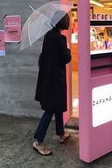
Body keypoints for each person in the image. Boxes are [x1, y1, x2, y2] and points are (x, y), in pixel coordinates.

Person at [33, 11, 71, 156]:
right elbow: (66, 58)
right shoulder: (60, 38)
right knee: (50, 109)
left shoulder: (48, 36)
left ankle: (61, 134)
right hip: (55, 79)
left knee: (58, 105)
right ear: (63, 23)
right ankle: (37, 140)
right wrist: (67, 47)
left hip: (47, 77)